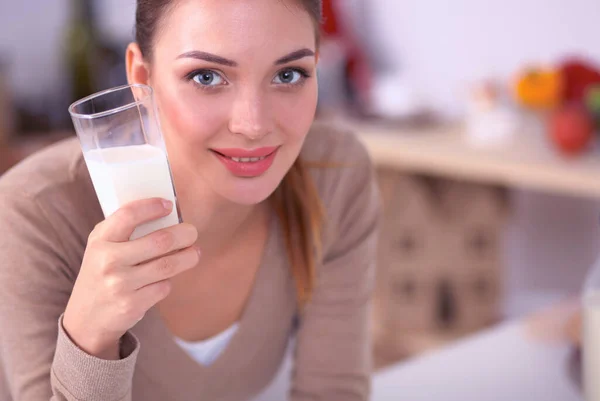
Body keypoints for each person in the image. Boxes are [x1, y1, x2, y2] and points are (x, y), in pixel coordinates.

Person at [0, 0, 380, 400]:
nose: (252, 125)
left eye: (288, 74)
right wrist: (91, 340)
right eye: (206, 77)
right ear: (141, 76)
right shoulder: (33, 211)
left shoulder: (334, 176)